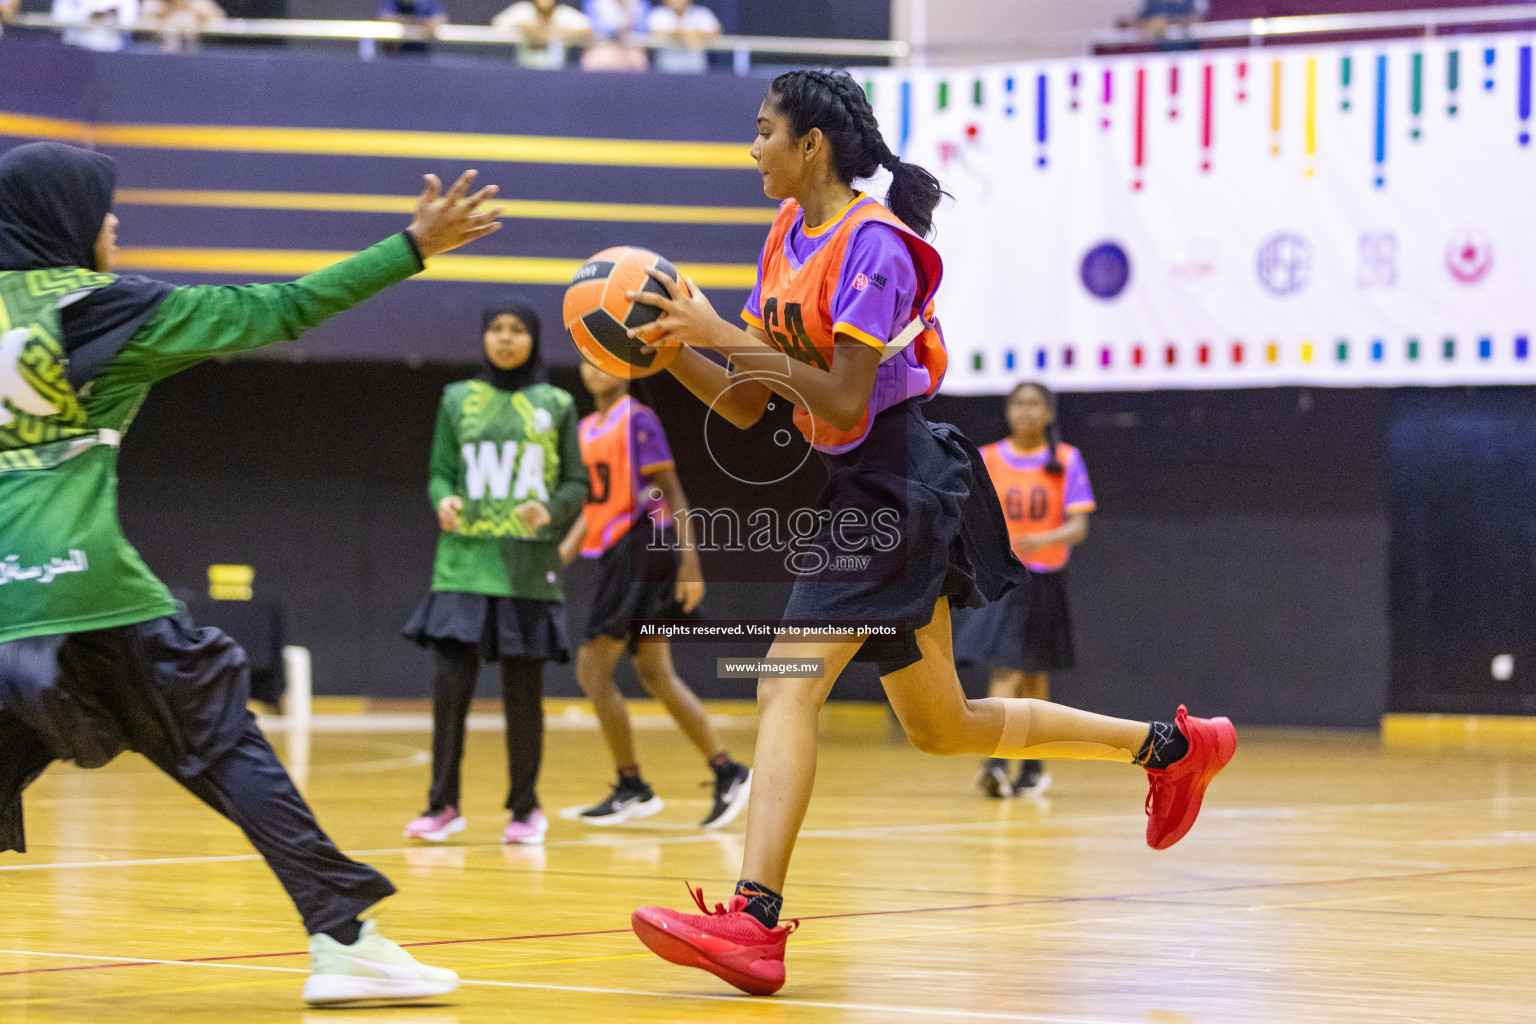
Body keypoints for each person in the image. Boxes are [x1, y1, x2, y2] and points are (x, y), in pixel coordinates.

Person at [618, 68, 1237, 996]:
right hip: (869, 483)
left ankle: (753, 919)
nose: (752, 150)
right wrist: (680, 354)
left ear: (810, 144)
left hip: (901, 481)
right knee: (944, 728)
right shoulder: (788, 234)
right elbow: (751, 406)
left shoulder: (879, 247)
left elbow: (838, 396)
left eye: (762, 132)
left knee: (784, 683)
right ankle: (1172, 748)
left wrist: (716, 327)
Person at [0, 142, 500, 1004]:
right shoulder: (102, 310)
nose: (114, 222)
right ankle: (344, 938)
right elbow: (284, 307)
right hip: (83, 586)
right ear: (65, 219)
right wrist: (410, 248)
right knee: (224, 738)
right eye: (101, 206)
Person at [401, 296, 588, 847]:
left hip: (527, 570)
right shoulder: (456, 399)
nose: (506, 338)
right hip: (462, 567)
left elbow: (577, 483)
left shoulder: (556, 403)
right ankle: (442, 805)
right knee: (449, 690)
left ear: (533, 339)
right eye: (496, 328)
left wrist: (551, 510)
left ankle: (526, 808)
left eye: (517, 330)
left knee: (523, 695)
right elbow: (438, 472)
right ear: (484, 336)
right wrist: (443, 499)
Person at [557, 361, 751, 829]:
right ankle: (728, 770)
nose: (592, 368)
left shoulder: (637, 418)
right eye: (586, 359)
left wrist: (691, 561)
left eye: (604, 360)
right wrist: (560, 555)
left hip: (644, 548)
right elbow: (594, 503)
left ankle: (632, 785)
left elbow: (672, 492)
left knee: (592, 669)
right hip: (622, 552)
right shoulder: (585, 428)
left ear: (625, 370)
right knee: (655, 672)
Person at [956, 382, 1094, 799]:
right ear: (1007, 410)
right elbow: (970, 513)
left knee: (1034, 675)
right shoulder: (989, 457)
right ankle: (997, 763)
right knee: (1006, 667)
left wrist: (1045, 538)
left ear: (1049, 413)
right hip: (1002, 579)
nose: (1026, 411)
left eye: (1035, 404)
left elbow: (1079, 526)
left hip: (1044, 579)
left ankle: (1032, 766)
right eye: (1018, 403)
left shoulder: (1066, 460)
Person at [492, 0, 592, 70]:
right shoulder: (524, 10)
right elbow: (498, 23)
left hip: (555, 73)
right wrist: (528, 29)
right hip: (525, 71)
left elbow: (588, 30)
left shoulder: (563, 14)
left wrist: (557, 32)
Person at [643, 0, 718, 74]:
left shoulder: (701, 13)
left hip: (696, 70)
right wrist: (686, 34)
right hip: (666, 69)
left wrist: (690, 34)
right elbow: (656, 32)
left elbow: (715, 31)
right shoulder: (658, 13)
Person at [579, 0, 647, 71]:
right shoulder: (594, 3)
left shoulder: (639, 4)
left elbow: (643, 31)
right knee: (595, 60)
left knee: (638, 59)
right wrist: (619, 27)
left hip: (629, 48)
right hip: (602, 47)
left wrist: (629, 10)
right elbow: (595, 29)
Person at [139, 0, 225, 52]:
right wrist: (162, 15)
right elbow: (141, 22)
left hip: (193, 54)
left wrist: (199, 14)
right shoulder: (156, 4)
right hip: (159, 52)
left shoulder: (198, 3)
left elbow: (219, 18)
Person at [52, 0, 138, 52]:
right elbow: (58, 20)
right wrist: (87, 16)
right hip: (75, 49)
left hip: (111, 51)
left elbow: (130, 21)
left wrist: (111, 15)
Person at [378, 0, 447, 55]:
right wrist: (418, 22)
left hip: (422, 51)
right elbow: (385, 17)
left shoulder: (429, 2)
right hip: (395, 52)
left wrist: (429, 24)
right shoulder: (393, 2)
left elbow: (441, 19)